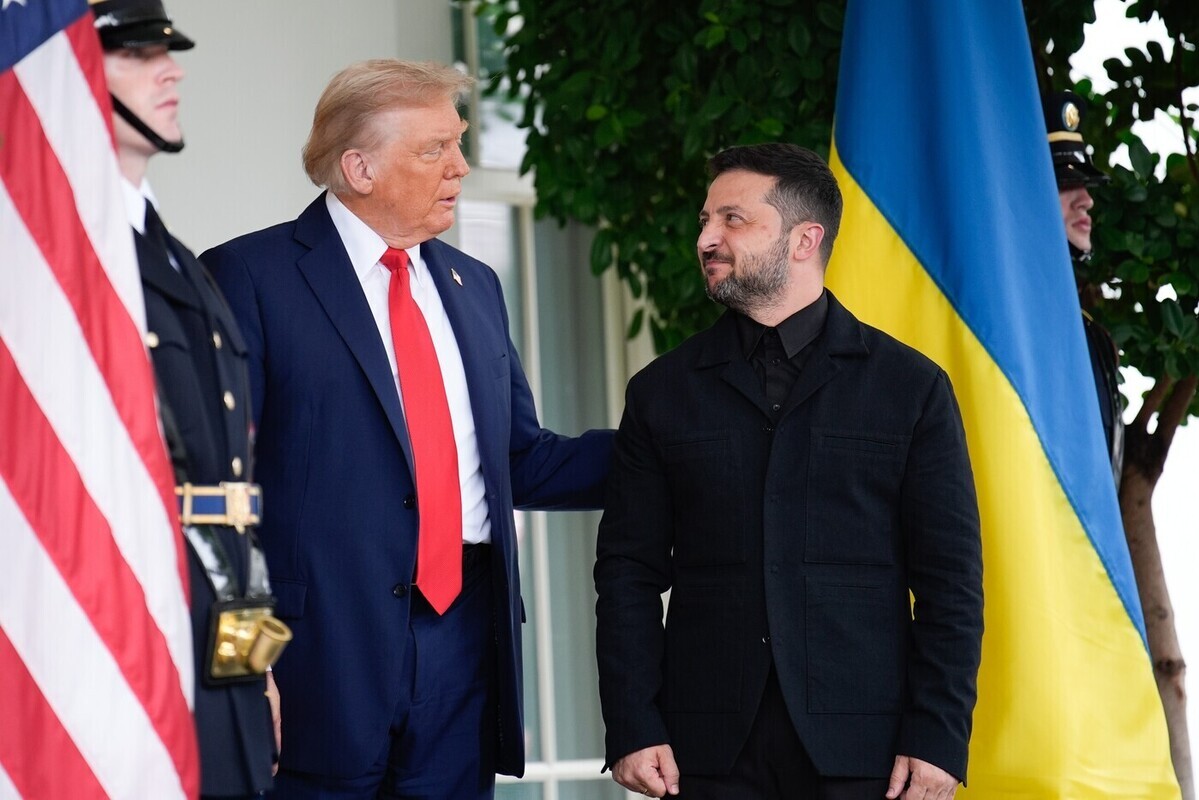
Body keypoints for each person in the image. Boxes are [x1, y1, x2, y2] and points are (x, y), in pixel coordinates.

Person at [201, 59, 613, 799]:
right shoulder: (248, 276)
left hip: (464, 649)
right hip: (314, 662)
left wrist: (673, 450)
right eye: (435, 149)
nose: (460, 166)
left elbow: (520, 460)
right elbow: (217, 488)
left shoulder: (474, 285)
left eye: (459, 142)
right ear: (359, 168)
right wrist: (241, 668)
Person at [594, 143, 984, 799]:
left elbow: (950, 579)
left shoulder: (911, 387)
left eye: (733, 219)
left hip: (869, 754)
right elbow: (627, 571)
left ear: (806, 239)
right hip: (705, 753)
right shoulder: (661, 392)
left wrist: (938, 735)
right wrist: (633, 722)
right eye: (705, 220)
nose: (707, 238)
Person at [93, 1, 284, 796]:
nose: (170, 71)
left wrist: (258, 663)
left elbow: (223, 495)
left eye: (166, 52)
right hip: (126, 632)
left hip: (221, 631)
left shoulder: (176, 259)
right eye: (137, 55)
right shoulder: (58, 260)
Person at [1043, 90, 1124, 487]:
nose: (1086, 201)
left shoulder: (1091, 335)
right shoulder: (1007, 325)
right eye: (1065, 184)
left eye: (1086, 184)